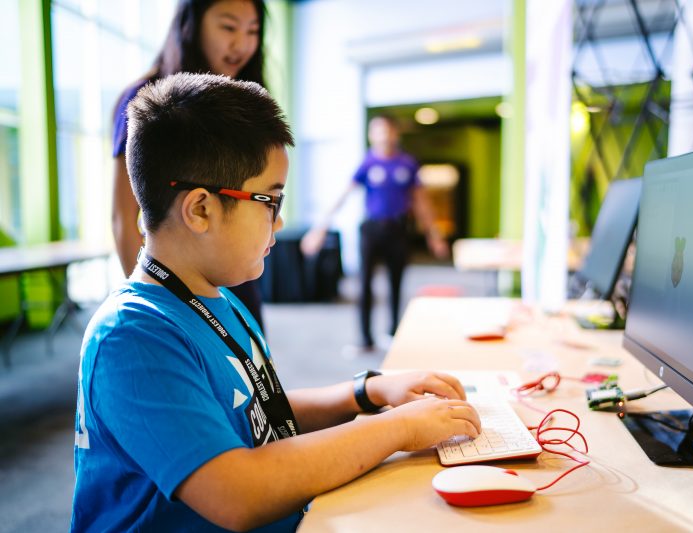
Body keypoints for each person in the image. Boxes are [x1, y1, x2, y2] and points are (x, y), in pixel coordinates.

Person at [72, 73, 481, 532]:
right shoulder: (133, 337)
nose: (280, 219)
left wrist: (364, 393)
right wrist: (399, 428)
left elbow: (257, 412)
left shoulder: (214, 297)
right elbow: (237, 493)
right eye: (270, 200)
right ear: (201, 209)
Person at [112, 0, 268, 329]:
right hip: (176, 284)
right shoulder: (148, 101)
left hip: (236, 279)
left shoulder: (241, 106)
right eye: (228, 27)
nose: (241, 44)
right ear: (191, 26)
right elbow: (124, 217)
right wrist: (150, 305)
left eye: (252, 31)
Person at [300, 115, 448, 351]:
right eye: (377, 131)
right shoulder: (368, 163)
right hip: (371, 229)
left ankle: (392, 333)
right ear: (371, 135)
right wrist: (319, 229)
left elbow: (421, 202)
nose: (383, 136)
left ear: (395, 134)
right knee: (365, 283)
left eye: (388, 131)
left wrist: (434, 234)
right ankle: (365, 339)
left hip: (398, 229)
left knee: (396, 283)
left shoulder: (407, 164)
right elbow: (343, 195)